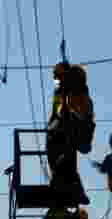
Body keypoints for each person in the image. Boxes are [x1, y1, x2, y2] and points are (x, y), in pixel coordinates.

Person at [46, 62, 93, 206]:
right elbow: (57, 112)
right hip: (60, 131)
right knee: (64, 161)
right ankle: (72, 188)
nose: (57, 79)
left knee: (66, 160)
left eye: (58, 76)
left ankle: (69, 187)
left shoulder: (76, 92)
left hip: (68, 132)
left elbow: (82, 112)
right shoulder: (61, 92)